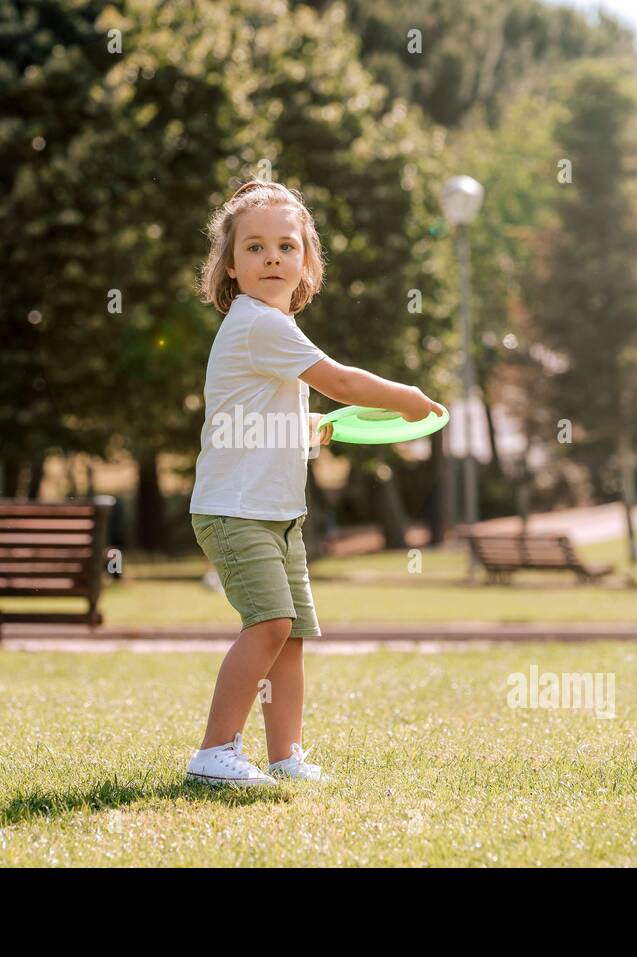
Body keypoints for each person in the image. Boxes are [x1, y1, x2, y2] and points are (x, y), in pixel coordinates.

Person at [184, 180, 446, 786]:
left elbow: (262, 417)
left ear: (306, 261)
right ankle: (214, 753)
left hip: (277, 511)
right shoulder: (257, 323)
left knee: (292, 636)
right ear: (229, 266)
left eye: (285, 245)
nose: (271, 257)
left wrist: (313, 429)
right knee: (271, 623)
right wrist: (405, 399)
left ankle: (285, 756)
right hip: (235, 510)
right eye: (253, 248)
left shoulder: (272, 328)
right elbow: (345, 382)